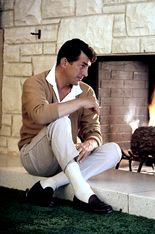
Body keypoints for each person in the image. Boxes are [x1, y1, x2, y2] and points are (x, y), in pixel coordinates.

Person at [18, 38, 122, 214]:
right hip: (35, 157)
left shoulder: (86, 91)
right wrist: (80, 102)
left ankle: (48, 185)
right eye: (82, 65)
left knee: (114, 151)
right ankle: (83, 193)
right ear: (64, 62)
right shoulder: (35, 83)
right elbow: (41, 114)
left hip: (66, 159)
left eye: (87, 67)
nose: (86, 73)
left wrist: (90, 144)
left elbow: (94, 131)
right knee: (60, 121)